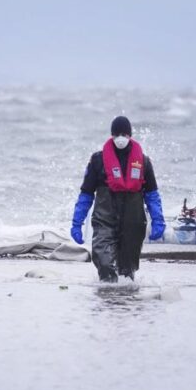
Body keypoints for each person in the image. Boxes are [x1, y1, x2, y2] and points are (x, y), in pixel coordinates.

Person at [70, 116, 166, 282]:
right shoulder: (97, 161)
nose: (120, 138)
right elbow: (86, 194)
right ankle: (106, 296)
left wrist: (158, 220)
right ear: (112, 135)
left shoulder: (143, 161)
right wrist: (77, 222)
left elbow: (152, 195)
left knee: (127, 272)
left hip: (133, 222)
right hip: (104, 220)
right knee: (105, 263)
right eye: (117, 134)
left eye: (124, 134)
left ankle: (122, 302)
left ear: (130, 135)